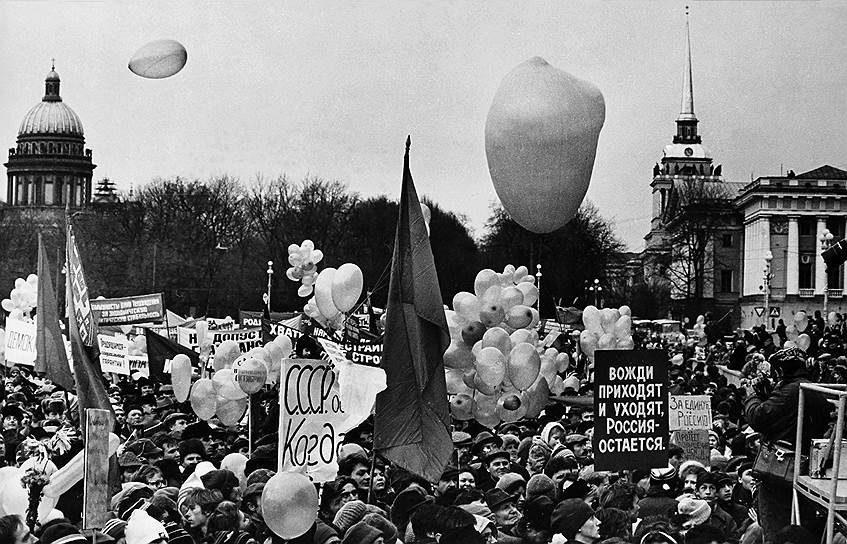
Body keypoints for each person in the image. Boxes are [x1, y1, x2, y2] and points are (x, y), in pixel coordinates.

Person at [745, 346, 831, 544]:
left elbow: (759, 417)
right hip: (804, 467)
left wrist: (752, 395)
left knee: (774, 527)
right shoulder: (812, 388)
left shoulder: (791, 390)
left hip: (779, 471)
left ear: (781, 370)